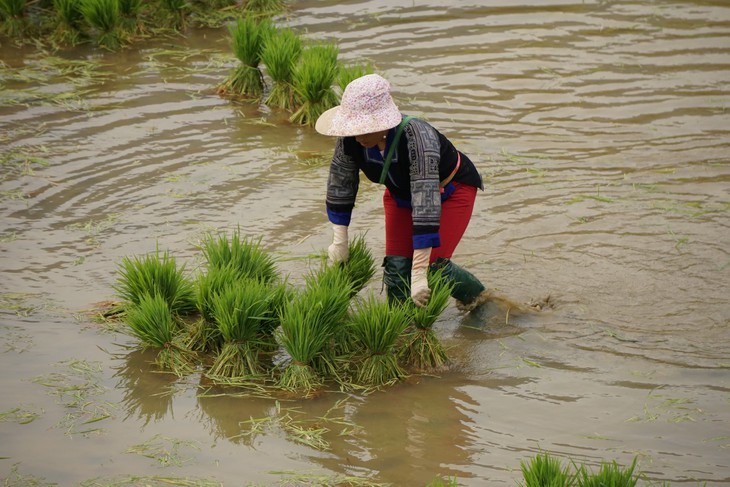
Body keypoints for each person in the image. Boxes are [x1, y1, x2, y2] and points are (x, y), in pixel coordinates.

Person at [315, 73, 489, 311]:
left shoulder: (417, 138)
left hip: (450, 190)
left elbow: (425, 199)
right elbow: (341, 183)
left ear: (384, 123)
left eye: (365, 128)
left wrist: (418, 273)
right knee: (396, 267)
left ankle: (480, 301)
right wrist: (339, 241)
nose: (359, 135)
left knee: (433, 266)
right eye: (354, 127)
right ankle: (401, 327)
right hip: (400, 194)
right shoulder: (350, 140)